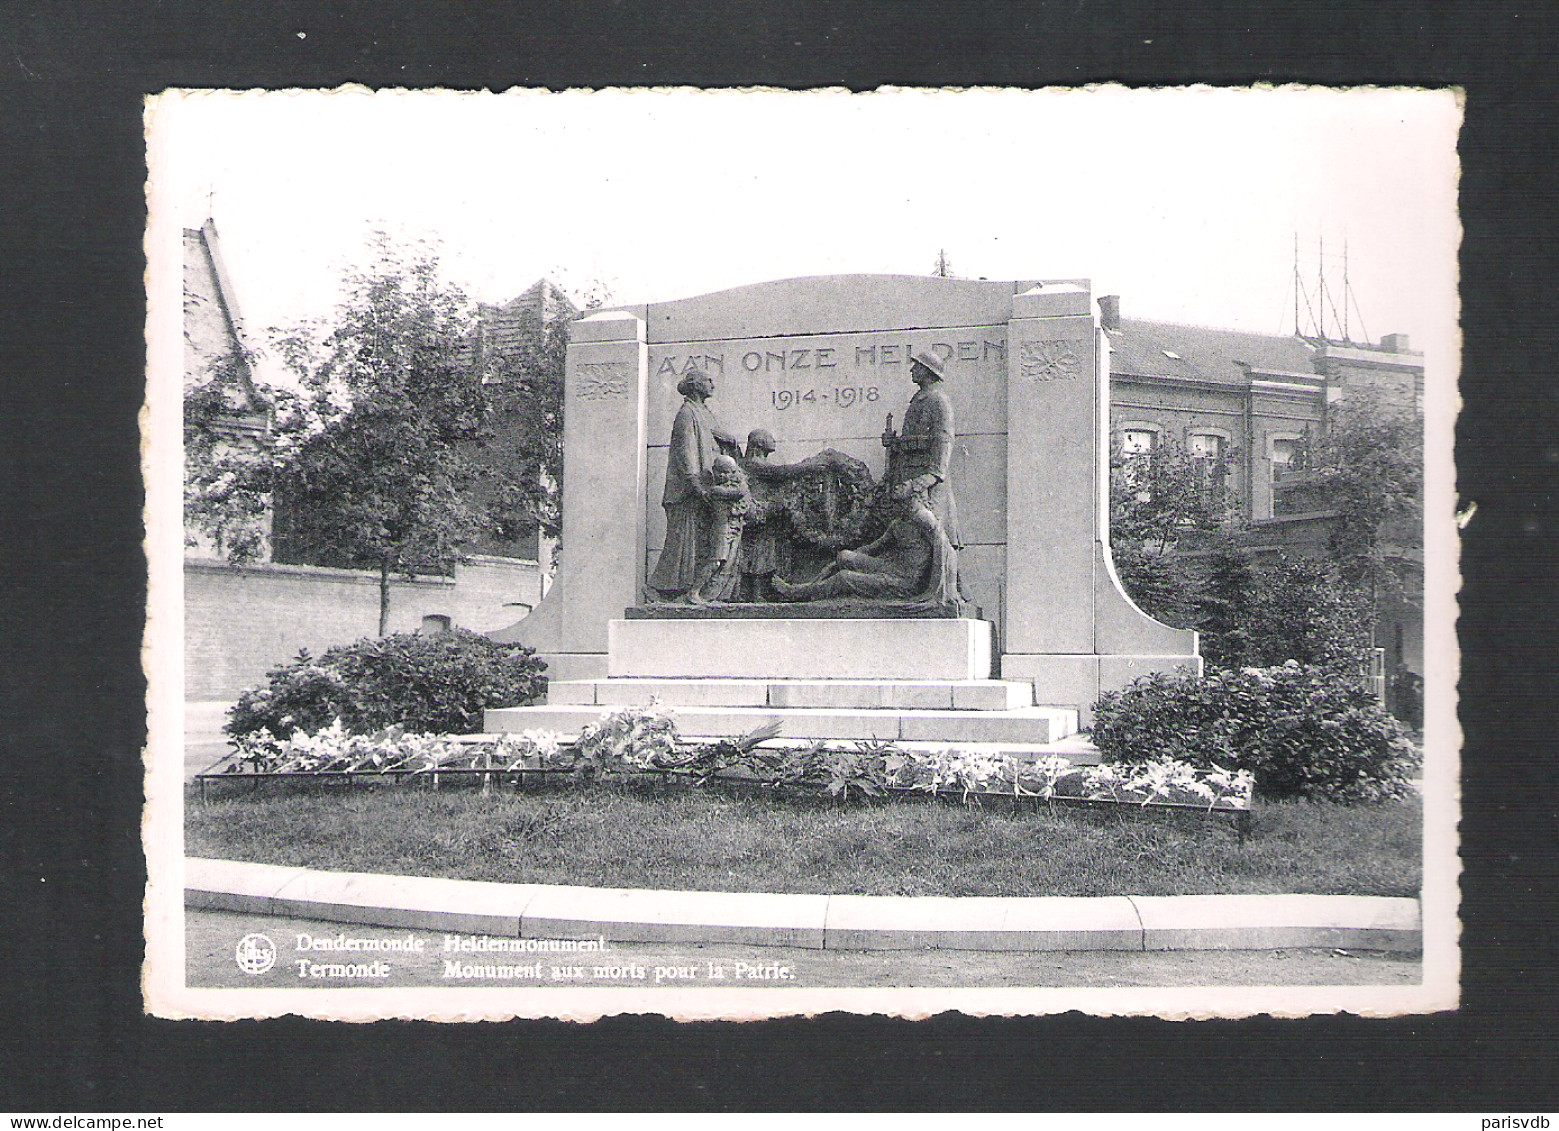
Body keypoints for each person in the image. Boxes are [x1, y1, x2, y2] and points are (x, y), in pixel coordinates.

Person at [771, 480, 955, 604]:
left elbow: (944, 548)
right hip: (890, 567)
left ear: (914, 492)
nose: (897, 487)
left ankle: (797, 593)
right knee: (844, 556)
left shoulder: (923, 518)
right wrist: (841, 560)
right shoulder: (898, 523)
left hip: (904, 581)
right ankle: (807, 588)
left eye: (903, 484)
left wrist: (937, 589)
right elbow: (873, 548)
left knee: (844, 577)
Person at [647, 367, 739, 601]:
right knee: (680, 545)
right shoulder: (687, 414)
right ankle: (659, 589)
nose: (713, 385)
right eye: (709, 381)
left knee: (694, 546)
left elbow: (715, 436)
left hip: (703, 488)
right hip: (687, 493)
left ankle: (685, 592)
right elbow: (686, 452)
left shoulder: (703, 412)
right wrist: (695, 484)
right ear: (696, 385)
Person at [884, 348, 962, 551]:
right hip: (912, 476)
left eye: (917, 366)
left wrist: (928, 480)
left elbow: (944, 442)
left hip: (928, 484)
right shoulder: (921, 399)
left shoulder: (938, 400)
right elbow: (917, 442)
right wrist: (895, 443)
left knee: (935, 543)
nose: (912, 370)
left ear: (928, 371)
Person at [685, 454, 752, 604]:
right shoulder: (716, 490)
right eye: (722, 472)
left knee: (731, 562)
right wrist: (741, 479)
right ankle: (694, 591)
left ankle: (726, 594)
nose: (726, 475)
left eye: (730, 472)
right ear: (715, 472)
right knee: (716, 561)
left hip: (731, 529)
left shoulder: (728, 487)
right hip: (720, 531)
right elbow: (740, 492)